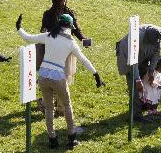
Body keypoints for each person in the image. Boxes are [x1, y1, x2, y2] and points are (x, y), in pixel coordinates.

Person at [16, 12, 104, 149]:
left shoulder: (49, 35)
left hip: (43, 76)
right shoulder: (71, 42)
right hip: (58, 77)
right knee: (67, 106)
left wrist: (19, 27)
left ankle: (52, 139)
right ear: (69, 26)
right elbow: (84, 60)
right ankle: (71, 137)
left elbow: (28, 38)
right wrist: (96, 75)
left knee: (49, 108)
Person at [116, 23, 161, 122]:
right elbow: (133, 63)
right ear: (147, 39)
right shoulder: (135, 38)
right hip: (128, 58)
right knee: (135, 86)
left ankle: (144, 106)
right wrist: (137, 79)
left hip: (143, 56)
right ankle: (136, 115)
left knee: (146, 83)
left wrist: (151, 70)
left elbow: (156, 52)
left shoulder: (160, 34)